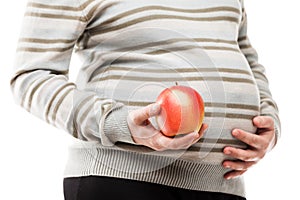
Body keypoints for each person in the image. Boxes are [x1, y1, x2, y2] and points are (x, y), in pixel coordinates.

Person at [10, 0, 280, 199]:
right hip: (119, 181)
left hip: (222, 185)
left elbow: (248, 58)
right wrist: (117, 123)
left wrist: (268, 122)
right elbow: (31, 76)